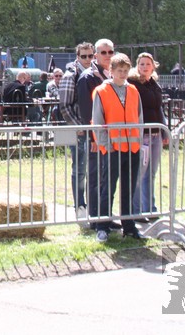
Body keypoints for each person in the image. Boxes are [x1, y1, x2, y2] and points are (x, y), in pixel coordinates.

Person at [91, 52, 142, 242]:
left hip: (133, 147)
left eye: (126, 70)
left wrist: (139, 140)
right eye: (119, 70)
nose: (123, 74)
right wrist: (106, 144)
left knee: (129, 189)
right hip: (113, 148)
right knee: (108, 189)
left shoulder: (133, 90)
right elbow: (98, 120)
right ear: (111, 71)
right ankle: (102, 227)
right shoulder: (102, 91)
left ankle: (129, 226)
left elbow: (139, 117)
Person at [57, 41, 96, 221]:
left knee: (93, 169)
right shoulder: (70, 75)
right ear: (77, 57)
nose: (87, 59)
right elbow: (65, 106)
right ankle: (79, 204)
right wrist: (79, 127)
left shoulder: (95, 73)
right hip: (79, 130)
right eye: (84, 56)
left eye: (90, 55)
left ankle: (92, 205)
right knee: (79, 169)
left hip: (93, 129)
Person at [79, 39, 115, 231]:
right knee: (95, 177)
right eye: (103, 52)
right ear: (96, 55)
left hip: (111, 136)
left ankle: (106, 216)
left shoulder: (112, 75)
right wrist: (92, 137)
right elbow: (86, 110)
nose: (107, 56)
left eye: (110, 52)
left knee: (107, 177)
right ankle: (95, 217)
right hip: (96, 137)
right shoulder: (88, 77)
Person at [129, 52, 166, 221]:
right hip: (142, 135)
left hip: (156, 134)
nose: (144, 67)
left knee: (151, 173)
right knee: (138, 173)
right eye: (141, 64)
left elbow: (159, 109)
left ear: (153, 67)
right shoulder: (133, 84)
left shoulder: (154, 84)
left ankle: (150, 208)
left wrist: (164, 130)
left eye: (148, 64)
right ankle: (135, 211)